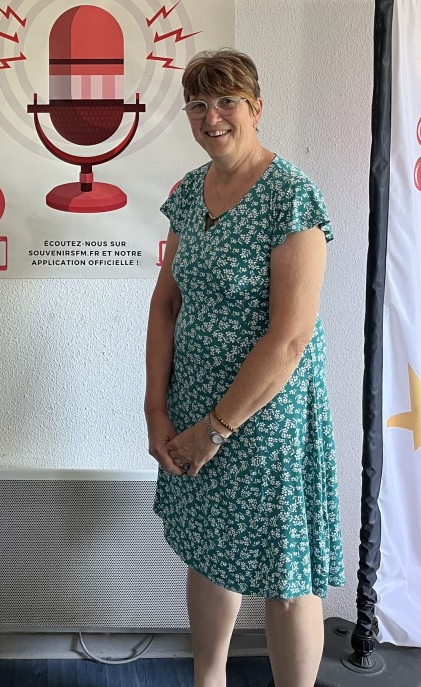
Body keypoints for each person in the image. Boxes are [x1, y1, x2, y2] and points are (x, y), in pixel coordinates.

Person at [145, 50, 343, 687]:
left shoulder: (291, 196)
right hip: (190, 403)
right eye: (198, 105)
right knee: (209, 550)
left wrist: (215, 430)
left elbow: (289, 340)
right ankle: (208, 680)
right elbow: (166, 303)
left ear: (256, 108)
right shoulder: (188, 191)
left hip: (264, 416)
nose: (212, 118)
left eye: (227, 101)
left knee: (287, 575)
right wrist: (156, 408)